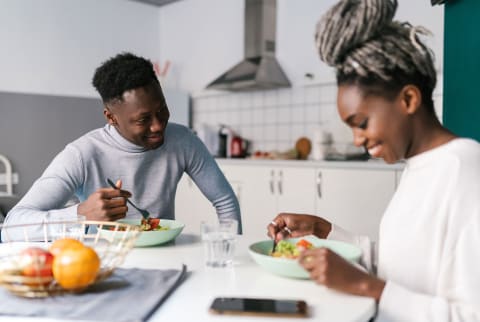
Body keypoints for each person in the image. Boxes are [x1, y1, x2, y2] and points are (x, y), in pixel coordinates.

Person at [267, 0, 480, 321]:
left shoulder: (466, 171)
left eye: (361, 122)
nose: (357, 139)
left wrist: (369, 288)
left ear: (408, 99)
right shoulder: (419, 166)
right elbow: (401, 267)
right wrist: (323, 229)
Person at [3, 52, 241, 238]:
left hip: (166, 256)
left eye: (162, 110)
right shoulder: (81, 154)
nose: (158, 126)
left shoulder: (183, 140)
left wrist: (233, 254)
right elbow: (12, 226)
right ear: (111, 117)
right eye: (143, 119)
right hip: (101, 264)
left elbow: (225, 200)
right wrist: (80, 215)